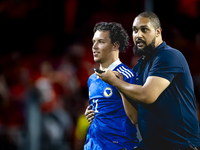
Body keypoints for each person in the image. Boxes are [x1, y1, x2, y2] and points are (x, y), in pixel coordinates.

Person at [94, 12, 200, 150]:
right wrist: (121, 86)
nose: (138, 35)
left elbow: (147, 95)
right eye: (135, 30)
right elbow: (134, 117)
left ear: (158, 32)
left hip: (181, 145)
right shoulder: (139, 67)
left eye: (144, 29)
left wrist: (116, 82)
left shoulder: (168, 56)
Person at [84, 22, 139, 150]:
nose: (94, 47)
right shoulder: (92, 79)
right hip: (92, 146)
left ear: (115, 45)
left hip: (119, 146)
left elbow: (135, 117)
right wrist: (92, 115)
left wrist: (119, 84)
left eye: (101, 42)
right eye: (93, 42)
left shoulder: (127, 75)